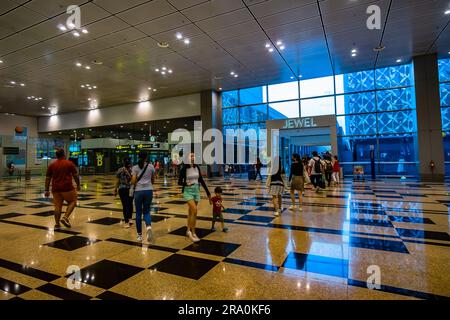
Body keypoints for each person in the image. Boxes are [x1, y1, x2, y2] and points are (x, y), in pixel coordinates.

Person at [178, 153, 212, 243]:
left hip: (196, 191)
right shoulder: (184, 169)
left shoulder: (197, 167)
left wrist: (208, 193)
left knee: (191, 212)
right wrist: (186, 184)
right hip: (188, 191)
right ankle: (193, 233)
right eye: (191, 156)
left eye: (194, 156)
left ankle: (188, 229)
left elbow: (201, 180)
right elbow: (179, 182)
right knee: (195, 210)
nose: (193, 157)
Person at [44, 148, 80, 229]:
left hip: (55, 189)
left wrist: (46, 190)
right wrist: (78, 185)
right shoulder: (69, 163)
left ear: (56, 155)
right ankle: (65, 217)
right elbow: (75, 176)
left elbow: (48, 178)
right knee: (73, 201)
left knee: (57, 206)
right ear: (64, 154)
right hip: (67, 188)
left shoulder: (52, 165)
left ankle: (57, 224)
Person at [131, 152, 156, 242]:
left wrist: (133, 182)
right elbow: (153, 180)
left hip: (138, 192)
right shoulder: (151, 166)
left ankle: (139, 235)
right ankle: (148, 227)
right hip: (149, 191)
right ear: (146, 157)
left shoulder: (135, 167)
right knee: (146, 211)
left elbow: (133, 181)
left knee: (138, 213)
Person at [114, 158, 134, 228]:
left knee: (125, 205)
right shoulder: (132, 170)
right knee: (130, 204)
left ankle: (126, 222)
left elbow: (117, 181)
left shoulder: (120, 170)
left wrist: (115, 189)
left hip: (122, 189)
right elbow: (134, 180)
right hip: (130, 189)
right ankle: (130, 219)